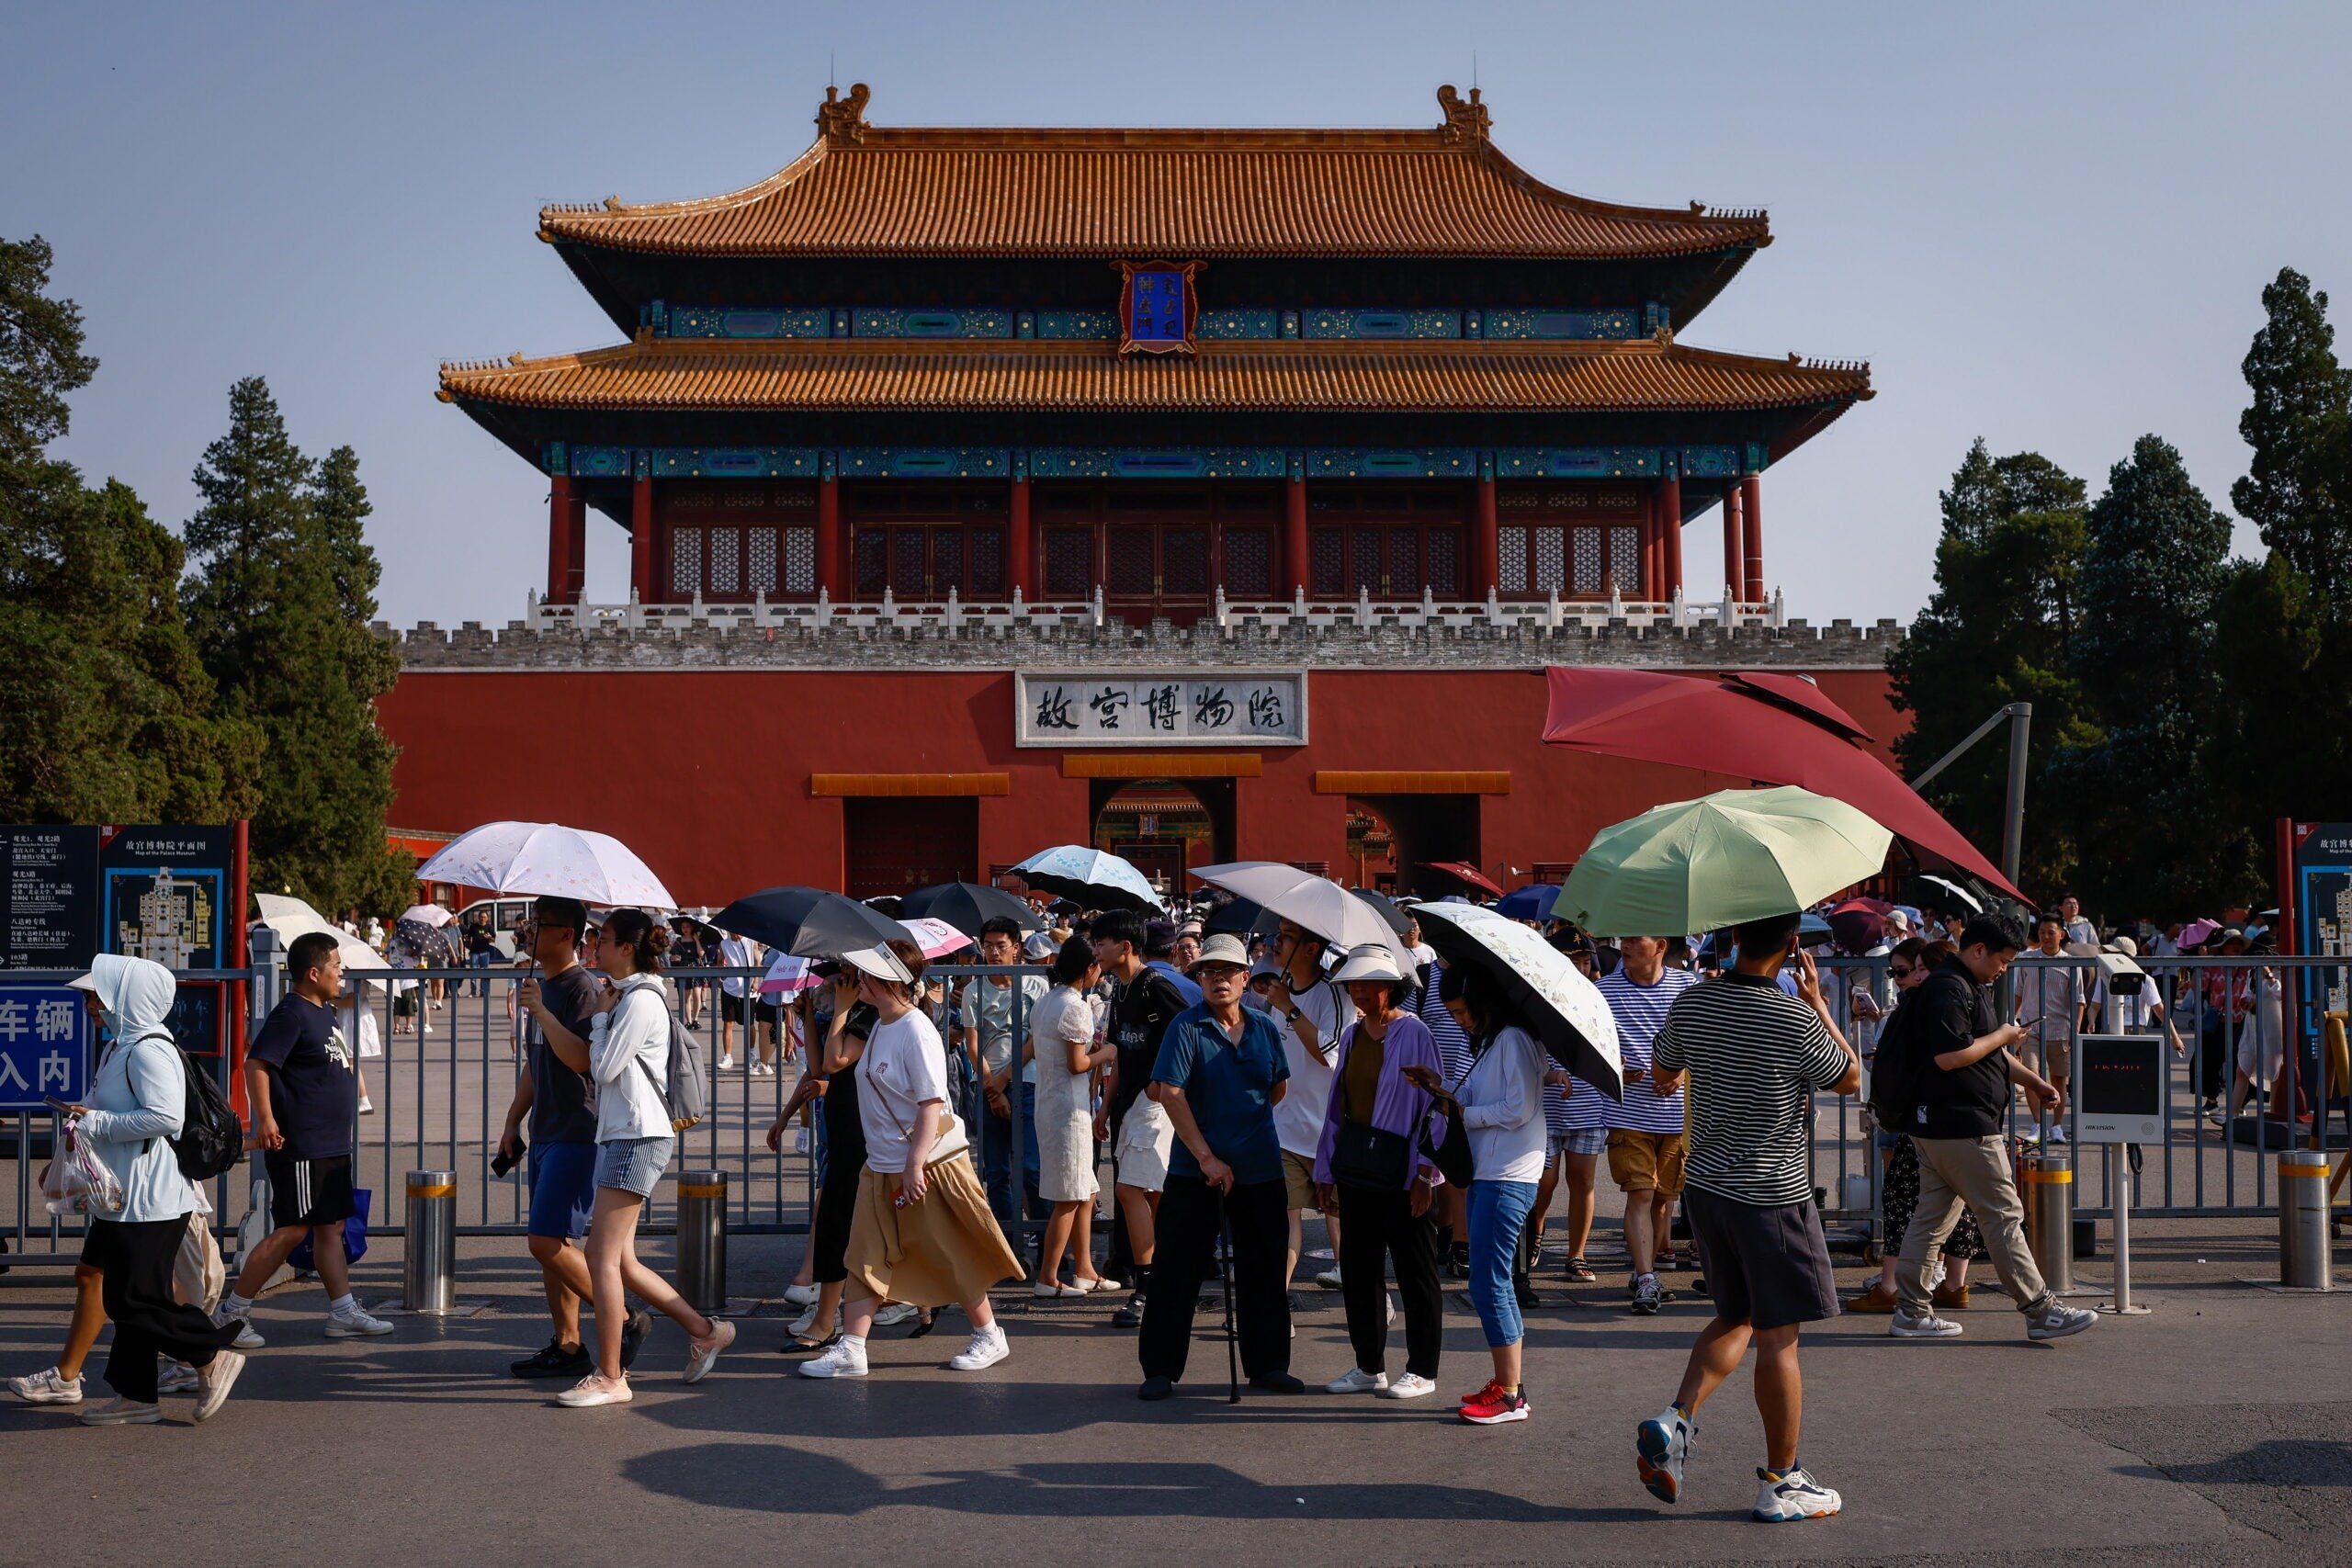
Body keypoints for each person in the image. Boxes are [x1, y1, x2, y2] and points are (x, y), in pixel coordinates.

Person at [1634, 913, 1860, 1522]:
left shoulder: (1693, 1002)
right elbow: (1849, 1076)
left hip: (1706, 1187)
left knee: (1736, 1314)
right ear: (1791, 946)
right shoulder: (1792, 1016)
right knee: (1780, 1336)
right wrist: (1816, 1002)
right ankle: (1782, 1479)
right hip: (1772, 1194)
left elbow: (1661, 1074)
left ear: (1734, 939)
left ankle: (1675, 1418)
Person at [801, 940, 1023, 1380]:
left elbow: (930, 1103)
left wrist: (914, 1165)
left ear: (885, 980)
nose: (855, 978)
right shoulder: (883, 1023)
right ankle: (852, 1347)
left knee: (948, 1251)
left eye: (863, 973)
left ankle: (989, 1333)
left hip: (923, 1166)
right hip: (882, 1164)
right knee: (863, 1255)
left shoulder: (915, 1029)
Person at [1887, 916, 2096, 1346]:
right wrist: (2003, 1034)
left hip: (1938, 1123)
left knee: (1932, 1219)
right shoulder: (1950, 988)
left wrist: (2033, 1081)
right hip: (1962, 1123)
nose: (2005, 968)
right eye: (2003, 959)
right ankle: (2039, 1309)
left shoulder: (1957, 985)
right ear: (1978, 949)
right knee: (2002, 1215)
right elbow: (1952, 1056)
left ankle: (1911, 1311)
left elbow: (1985, 1053)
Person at [59, 955, 248, 1424]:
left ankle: (208, 1355)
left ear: (124, 999)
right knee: (125, 1292)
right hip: (121, 1195)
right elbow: (106, 1101)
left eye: (96, 995)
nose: (89, 1003)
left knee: (132, 1298)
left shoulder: (148, 1049)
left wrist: (97, 1121)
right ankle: (136, 1396)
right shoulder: (120, 1046)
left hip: (151, 1197)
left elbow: (167, 1117)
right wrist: (83, 1113)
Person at [557, 910, 734, 1406]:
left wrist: (598, 1018)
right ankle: (704, 1331)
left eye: (604, 940)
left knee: (599, 1256)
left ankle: (611, 1376)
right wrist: (605, 1015)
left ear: (628, 948)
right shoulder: (631, 997)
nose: (596, 947)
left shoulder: (639, 999)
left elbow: (604, 1067)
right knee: (624, 1261)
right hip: (627, 1133)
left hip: (636, 1135)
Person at [1136, 932, 1299, 1399]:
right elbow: (1169, 1092)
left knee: (1264, 1269)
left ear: (1246, 978)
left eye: (1228, 971)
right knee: (1176, 1270)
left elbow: (1277, 1089)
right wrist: (1208, 1155)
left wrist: (1242, 1134)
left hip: (1259, 1166)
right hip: (1194, 1169)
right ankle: (1160, 1368)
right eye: (1209, 971)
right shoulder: (1186, 1027)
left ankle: (1268, 1363)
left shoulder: (1265, 1028)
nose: (1218, 979)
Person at [211, 931, 394, 1346]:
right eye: (336, 965)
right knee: (294, 1229)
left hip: (330, 1143)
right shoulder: (291, 1013)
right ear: (313, 973)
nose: (341, 971)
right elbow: (257, 1063)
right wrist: (266, 1119)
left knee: (330, 1227)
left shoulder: (324, 1012)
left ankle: (342, 1311)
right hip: (303, 1146)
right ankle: (231, 1313)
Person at [500, 897, 647, 1380]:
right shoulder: (544, 986)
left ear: (567, 935)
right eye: (529, 922)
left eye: (538, 924)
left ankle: (622, 1319)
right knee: (555, 1243)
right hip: (545, 1129)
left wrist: (541, 1011)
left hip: (578, 1131)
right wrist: (513, 1119)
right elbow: (535, 1063)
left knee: (544, 1241)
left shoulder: (581, 988)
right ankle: (567, 1345)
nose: (528, 931)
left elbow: (583, 1059)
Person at [1412, 963, 1545, 1425]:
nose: (1460, 1020)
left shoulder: (1511, 1040)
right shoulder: (1495, 1041)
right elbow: (1486, 1099)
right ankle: (1509, 1385)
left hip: (1507, 1174)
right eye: (1452, 1013)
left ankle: (1509, 1393)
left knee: (1489, 1282)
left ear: (1485, 1002)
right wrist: (1442, 1089)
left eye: (1464, 1011)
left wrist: (1462, 1112)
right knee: (1493, 1282)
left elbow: (1518, 1107)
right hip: (1493, 1171)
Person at [1313, 946, 1443, 1401]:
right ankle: (1369, 1366)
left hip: (1404, 1169)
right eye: (1352, 984)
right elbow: (1338, 1106)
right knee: (1359, 1268)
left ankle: (1423, 1370)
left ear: (1388, 985)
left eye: (1366, 984)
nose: (1357, 991)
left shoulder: (1415, 1032)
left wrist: (1425, 1175)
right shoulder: (1352, 1034)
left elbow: (1433, 1108)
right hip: (1358, 1164)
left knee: (1416, 1271)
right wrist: (1325, 1170)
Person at [1846, 939, 1984, 1314]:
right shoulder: (1959, 1001)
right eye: (1901, 972)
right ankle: (1950, 1284)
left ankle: (1898, 1289)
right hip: (1951, 1119)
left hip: (1926, 1120)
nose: (1905, 978)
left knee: (1906, 1199)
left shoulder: (1927, 1005)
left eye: (1910, 970)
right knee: (1958, 1203)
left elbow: (1957, 1056)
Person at [1094, 909, 1191, 1326]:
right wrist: (1104, 1106)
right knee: (1150, 1194)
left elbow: (1189, 1033)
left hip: (1153, 1105)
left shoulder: (1156, 987)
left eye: (1102, 943)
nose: (1096, 950)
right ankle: (1168, 1278)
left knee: (1132, 1189)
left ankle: (1147, 1288)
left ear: (1126, 946)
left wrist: (1162, 1084)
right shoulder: (1118, 990)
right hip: (1126, 1105)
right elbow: (1119, 1052)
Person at [770, 970, 876, 1352]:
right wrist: (810, 1019)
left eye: (834, 977)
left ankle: (828, 1320)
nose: (826, 984)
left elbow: (835, 1062)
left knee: (842, 1222)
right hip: (845, 1129)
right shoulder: (844, 1014)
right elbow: (816, 1068)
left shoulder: (867, 1014)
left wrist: (843, 1011)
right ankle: (827, 1319)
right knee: (838, 1223)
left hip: (866, 1133)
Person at [1599, 935, 1702, 1314]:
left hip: (1677, 1116)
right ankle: (1645, 1278)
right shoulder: (1604, 990)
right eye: (1622, 940)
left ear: (1659, 945)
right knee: (1640, 1193)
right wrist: (1615, 1069)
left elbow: (1702, 1043)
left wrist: (1683, 1073)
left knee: (1664, 1199)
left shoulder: (1688, 985)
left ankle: (1648, 1268)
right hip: (1628, 1113)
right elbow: (1595, 1044)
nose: (1624, 946)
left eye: (1633, 940)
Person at [1265, 919, 1356, 1293]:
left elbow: (1328, 1055)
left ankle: (1364, 1293)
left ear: (1310, 948)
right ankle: (1275, 1305)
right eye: (1278, 933)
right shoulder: (1278, 994)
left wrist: (1289, 1008)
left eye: (1285, 936)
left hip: (1327, 1132)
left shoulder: (1335, 995)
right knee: (1285, 1220)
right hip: (1283, 1129)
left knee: (1339, 1218)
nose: (1276, 942)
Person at [1030, 938, 1116, 1295]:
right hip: (1069, 1109)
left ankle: (1084, 1268)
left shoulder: (1045, 1001)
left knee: (1084, 1192)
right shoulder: (1076, 1006)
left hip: (1052, 1104)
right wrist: (1107, 1051)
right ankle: (1048, 1277)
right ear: (1087, 970)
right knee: (1070, 1195)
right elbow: (1077, 1063)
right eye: (1095, 964)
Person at [962, 917, 1049, 1249]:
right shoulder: (973, 989)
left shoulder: (1036, 985)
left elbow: (1036, 1038)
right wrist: (990, 1086)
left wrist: (1003, 1079)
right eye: (988, 946)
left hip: (1026, 1080)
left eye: (1001, 946)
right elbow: (972, 1044)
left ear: (1016, 948)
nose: (994, 953)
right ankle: (1007, 1246)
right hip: (984, 1083)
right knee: (995, 1171)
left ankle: (1045, 1241)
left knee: (1030, 1167)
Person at [2013, 914, 2085, 1141]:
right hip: (2031, 1028)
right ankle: (2037, 1124)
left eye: (2050, 932)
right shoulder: (2027, 959)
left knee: (2058, 1078)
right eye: (2042, 932)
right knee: (2031, 1075)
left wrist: (2076, 1029)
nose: (2045, 936)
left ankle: (2057, 1126)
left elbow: (2078, 999)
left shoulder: (2070, 963)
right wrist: (2012, 1021)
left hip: (2060, 1028)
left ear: (2061, 935)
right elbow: (2018, 992)